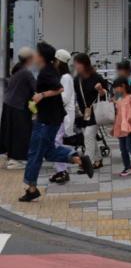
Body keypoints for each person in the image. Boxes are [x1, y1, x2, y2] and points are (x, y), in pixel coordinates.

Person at [20, 42, 94, 202]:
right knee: (47, 151)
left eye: (36, 53)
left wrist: (41, 95)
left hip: (47, 120)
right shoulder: (50, 70)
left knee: (35, 154)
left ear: (42, 57)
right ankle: (77, 158)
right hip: (49, 118)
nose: (34, 56)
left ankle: (31, 188)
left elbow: (59, 90)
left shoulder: (47, 72)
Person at [73, 53, 109, 171]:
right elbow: (78, 97)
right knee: (89, 136)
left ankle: (87, 164)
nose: (75, 66)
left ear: (84, 64)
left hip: (96, 111)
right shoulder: (77, 79)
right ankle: (98, 160)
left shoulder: (96, 77)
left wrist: (100, 90)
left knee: (88, 135)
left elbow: (106, 94)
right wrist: (80, 111)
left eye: (77, 64)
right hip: (85, 112)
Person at [1, 48, 36, 170]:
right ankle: (16, 160)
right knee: (20, 133)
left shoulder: (16, 70)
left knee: (11, 132)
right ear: (29, 59)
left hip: (9, 105)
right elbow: (36, 88)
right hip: (18, 106)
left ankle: (11, 157)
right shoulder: (26, 73)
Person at [49, 49, 76, 184]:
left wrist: (49, 96)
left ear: (59, 61)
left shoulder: (65, 78)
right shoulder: (63, 77)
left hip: (63, 116)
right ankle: (61, 170)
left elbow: (64, 98)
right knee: (56, 142)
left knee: (56, 142)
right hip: (60, 115)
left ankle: (63, 170)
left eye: (55, 60)